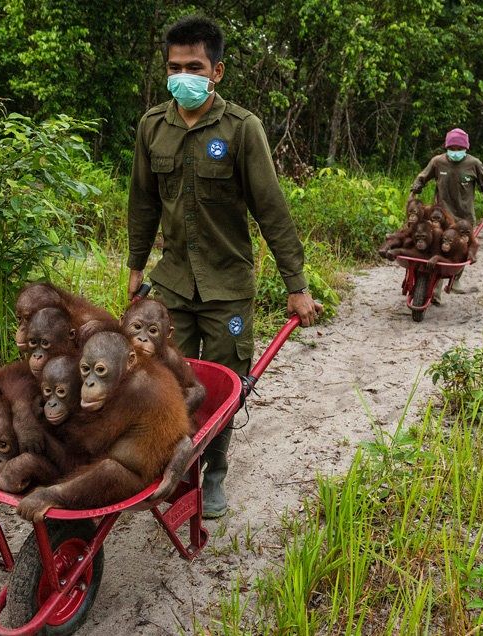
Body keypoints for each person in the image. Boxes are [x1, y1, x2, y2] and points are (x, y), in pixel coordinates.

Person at [126, 15, 322, 519]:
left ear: (217, 71)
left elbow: (271, 210)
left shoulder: (241, 129)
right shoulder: (153, 126)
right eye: (174, 67)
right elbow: (143, 203)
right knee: (164, 380)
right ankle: (169, 467)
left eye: (194, 66)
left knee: (225, 383)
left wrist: (295, 285)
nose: (182, 76)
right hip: (170, 285)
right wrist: (134, 266)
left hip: (227, 288)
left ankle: (212, 475)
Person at [409, 128, 483, 297]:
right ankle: (435, 290)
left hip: (464, 216)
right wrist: (413, 193)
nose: (455, 152)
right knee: (438, 247)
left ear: (466, 149)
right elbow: (422, 178)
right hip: (442, 215)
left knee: (462, 249)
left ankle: (455, 280)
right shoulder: (438, 162)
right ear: (447, 147)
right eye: (452, 148)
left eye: (459, 149)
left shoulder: (474, 164)